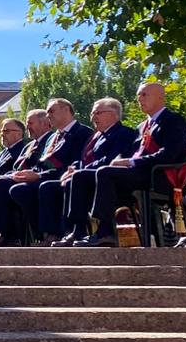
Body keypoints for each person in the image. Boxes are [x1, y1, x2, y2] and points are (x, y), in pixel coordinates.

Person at [81, 82, 186, 248]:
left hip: (159, 176)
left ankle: (104, 231)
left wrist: (132, 162)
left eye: (144, 94)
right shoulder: (141, 126)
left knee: (105, 173)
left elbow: (170, 154)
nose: (139, 99)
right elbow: (128, 152)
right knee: (82, 177)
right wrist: (118, 160)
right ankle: (78, 230)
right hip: (138, 174)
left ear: (160, 97)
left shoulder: (173, 121)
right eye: (138, 95)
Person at [49, 98, 139, 246]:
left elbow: (111, 159)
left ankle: (97, 232)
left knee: (78, 177)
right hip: (92, 176)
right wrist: (73, 168)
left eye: (98, 113)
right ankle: (73, 230)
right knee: (69, 179)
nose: (93, 117)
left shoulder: (124, 133)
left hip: (113, 179)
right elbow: (83, 159)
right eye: (92, 113)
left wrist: (80, 170)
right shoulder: (96, 137)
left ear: (114, 114)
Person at [6, 99, 92, 245]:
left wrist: (39, 175)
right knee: (18, 190)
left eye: (51, 111)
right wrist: (30, 173)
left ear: (66, 110)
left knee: (46, 188)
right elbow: (44, 162)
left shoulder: (82, 132)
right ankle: (40, 234)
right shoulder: (53, 137)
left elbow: (74, 163)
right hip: (45, 176)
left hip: (66, 178)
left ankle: (55, 234)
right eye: (47, 112)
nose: (48, 115)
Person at [0, 110, 50, 246]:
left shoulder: (50, 140)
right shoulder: (29, 146)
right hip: (23, 177)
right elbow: (16, 168)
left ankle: (5, 235)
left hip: (41, 178)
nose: (28, 127)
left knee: (2, 184)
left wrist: (35, 175)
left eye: (30, 123)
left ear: (44, 124)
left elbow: (45, 164)